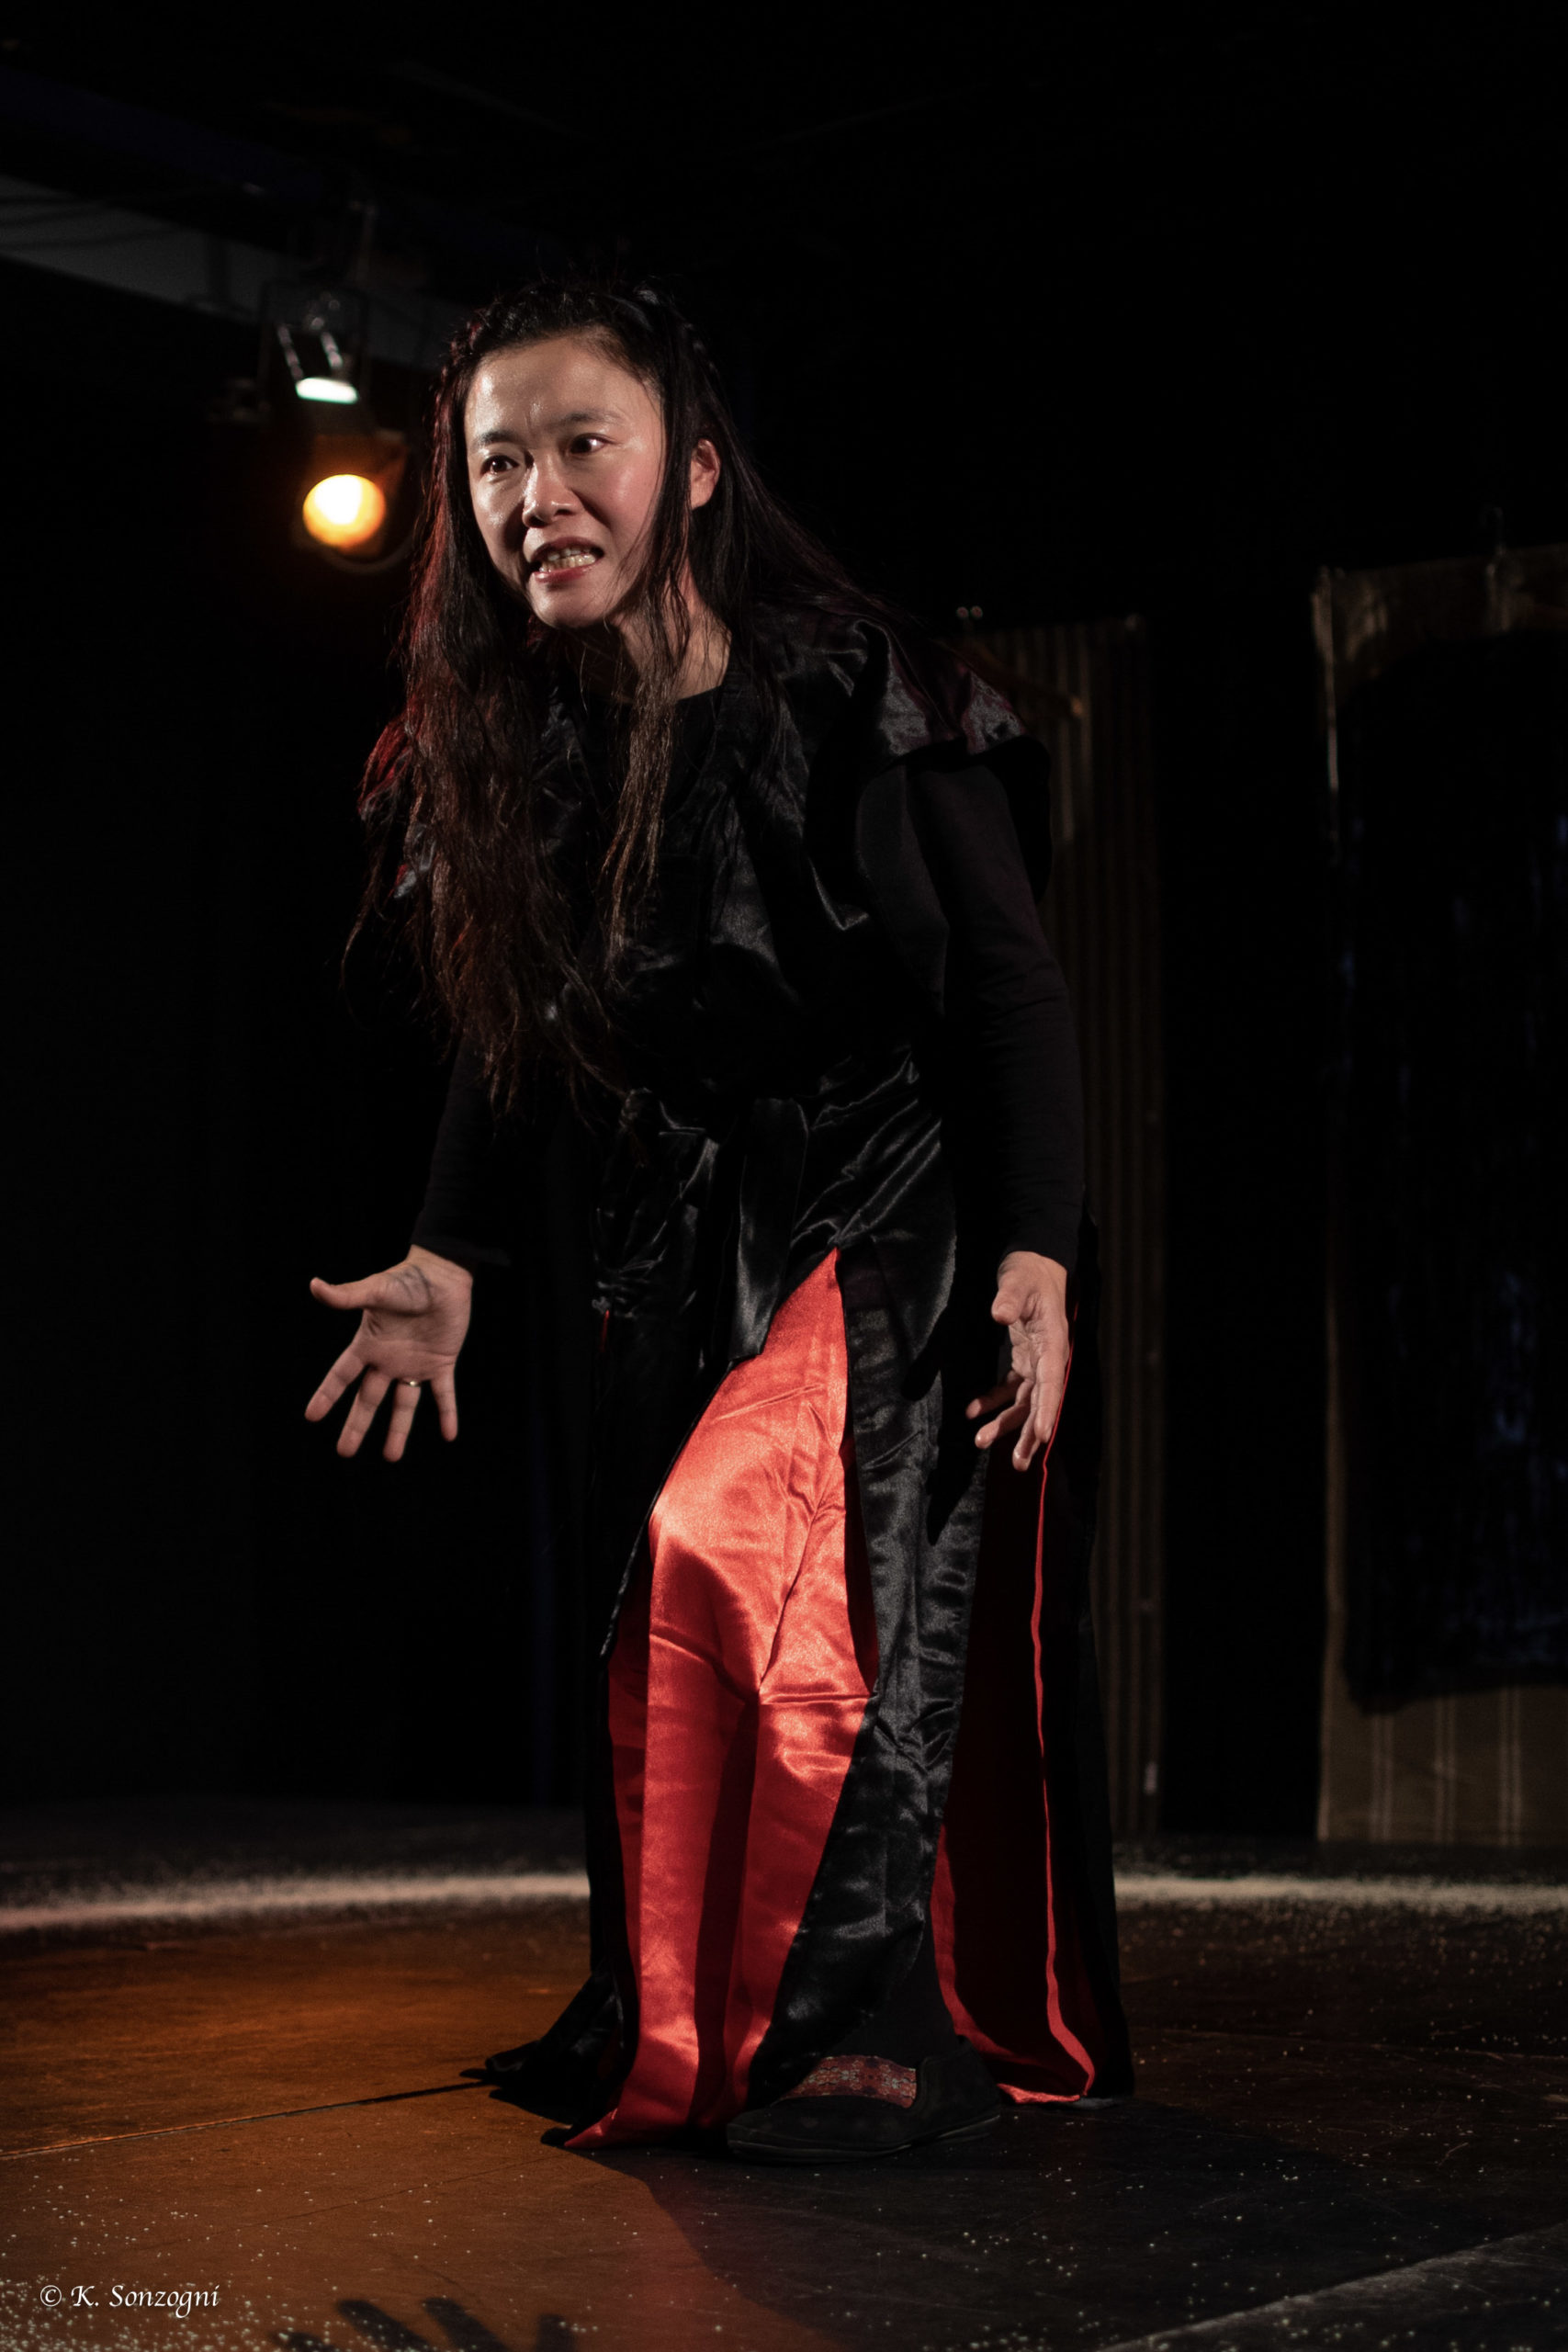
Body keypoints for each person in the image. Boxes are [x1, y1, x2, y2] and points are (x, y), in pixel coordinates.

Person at [306, 281, 1133, 2163]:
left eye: (578, 445)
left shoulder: (853, 689)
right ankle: (690, 2002)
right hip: (678, 1227)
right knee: (667, 1619)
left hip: (894, 1198)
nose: (534, 496)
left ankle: (845, 2026)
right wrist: (447, 1252)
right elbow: (506, 1030)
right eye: (493, 462)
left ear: (687, 467)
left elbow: (1009, 988)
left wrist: (1037, 1249)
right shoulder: (513, 742)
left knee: (751, 1565)